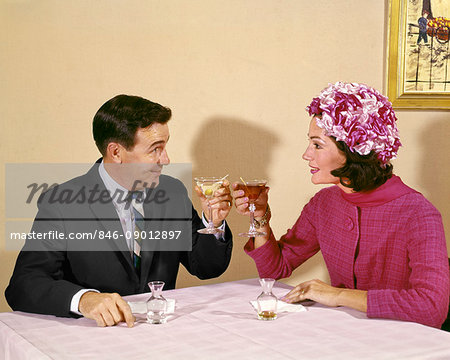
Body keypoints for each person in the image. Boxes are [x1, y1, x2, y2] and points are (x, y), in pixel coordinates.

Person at [233, 82, 449, 328]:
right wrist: (260, 216)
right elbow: (274, 268)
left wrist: (337, 295)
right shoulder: (324, 203)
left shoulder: (418, 213)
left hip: (405, 345)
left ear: (353, 150)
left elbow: (432, 308)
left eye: (317, 145)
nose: (306, 154)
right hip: (344, 336)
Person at [6, 94, 233, 327]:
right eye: (155, 149)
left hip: (161, 334)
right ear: (116, 153)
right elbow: (24, 284)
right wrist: (85, 300)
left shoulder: (172, 192)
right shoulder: (61, 203)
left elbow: (206, 268)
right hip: (92, 338)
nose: (165, 159)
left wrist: (212, 224)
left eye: (165, 147)